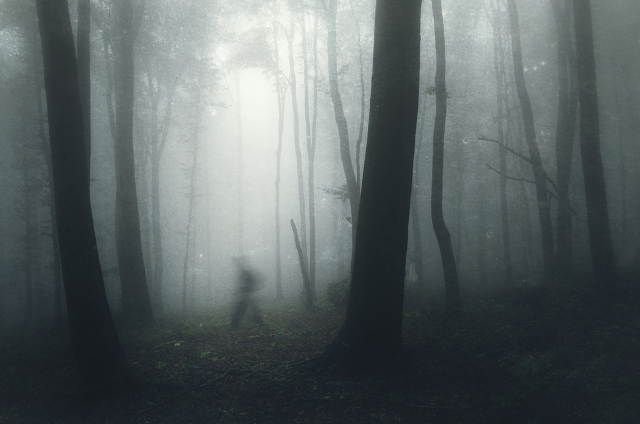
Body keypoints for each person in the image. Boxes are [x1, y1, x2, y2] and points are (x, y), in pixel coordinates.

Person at [230, 256, 264, 330]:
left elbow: (251, 281)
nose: (234, 264)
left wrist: (245, 289)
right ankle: (260, 322)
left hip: (248, 294)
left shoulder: (245, 270)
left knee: (240, 310)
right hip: (248, 293)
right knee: (253, 309)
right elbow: (249, 281)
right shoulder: (244, 269)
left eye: (235, 262)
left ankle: (234, 326)